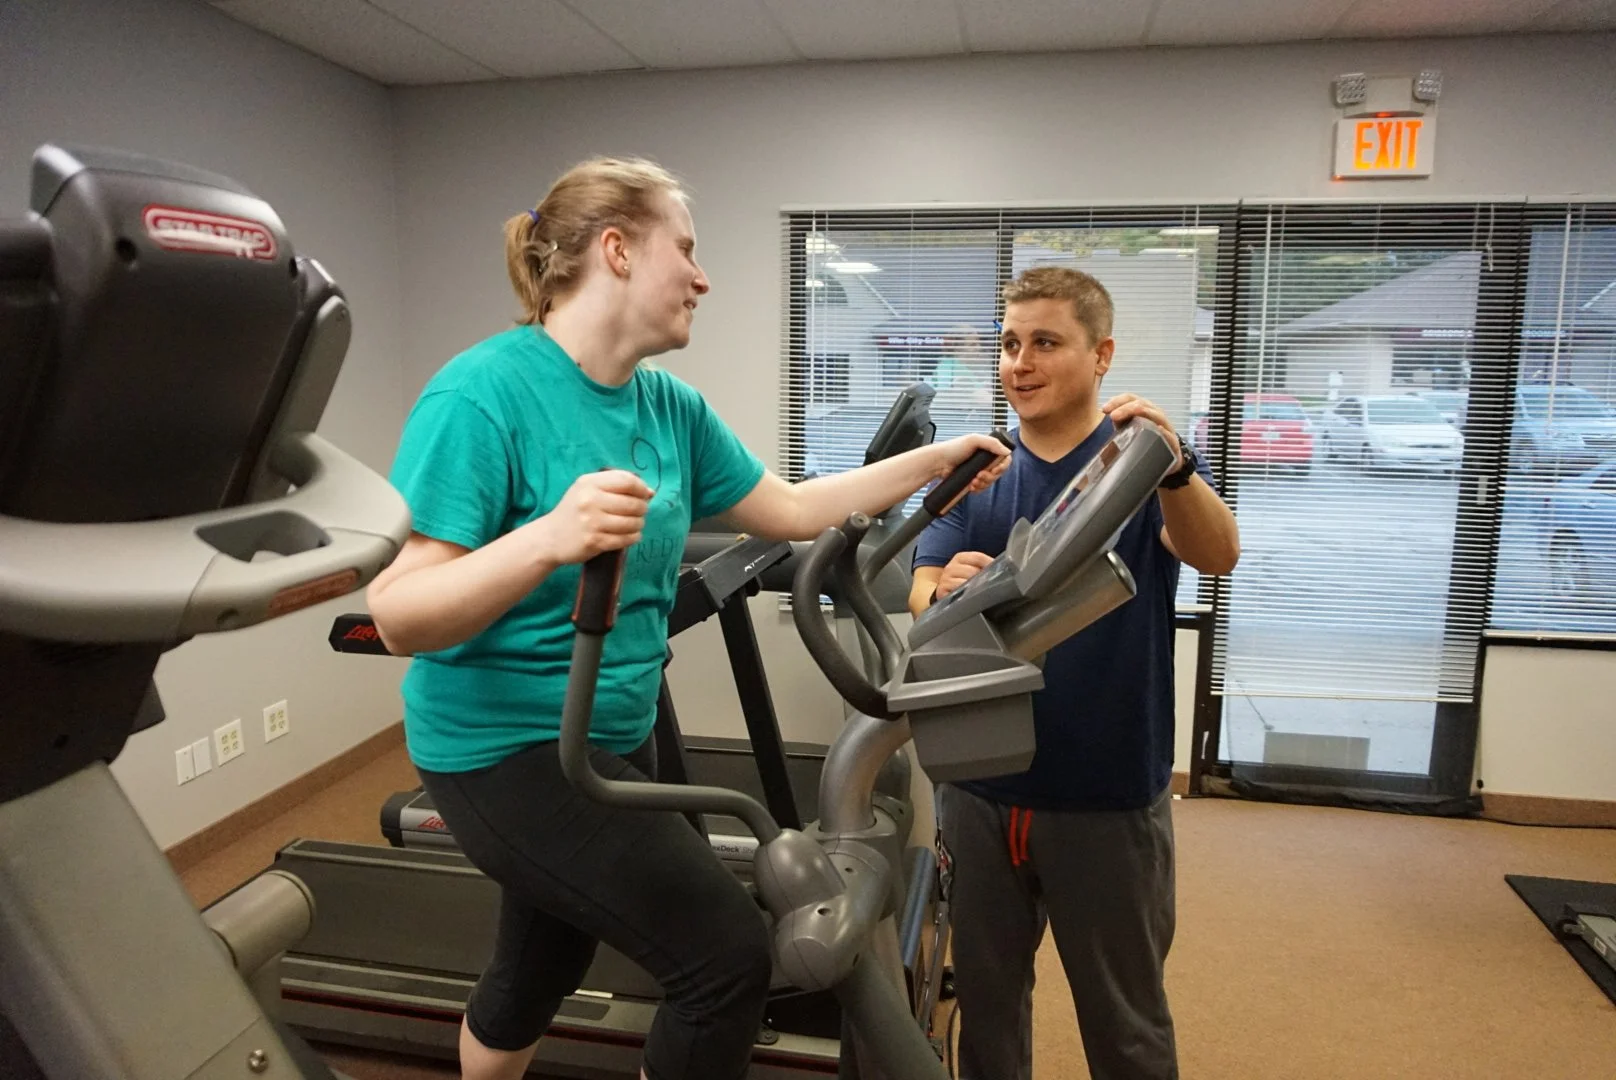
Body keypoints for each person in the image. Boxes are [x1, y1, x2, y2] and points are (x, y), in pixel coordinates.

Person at [364, 157, 1009, 1080]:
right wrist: (549, 538)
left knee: (544, 955)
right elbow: (397, 616)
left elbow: (788, 508)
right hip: (502, 749)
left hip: (614, 725)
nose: (704, 277)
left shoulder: (668, 405)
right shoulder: (481, 395)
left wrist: (935, 462)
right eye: (689, 250)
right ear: (618, 251)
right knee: (724, 958)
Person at [909, 266, 1240, 1080]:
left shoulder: (1137, 471)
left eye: (1045, 343)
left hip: (1107, 798)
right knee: (986, 1011)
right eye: (1010, 345)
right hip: (982, 791)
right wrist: (942, 587)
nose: (1019, 363)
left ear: (1103, 356)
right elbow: (919, 589)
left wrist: (1178, 469)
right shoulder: (979, 469)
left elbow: (1219, 554)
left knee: (1124, 1023)